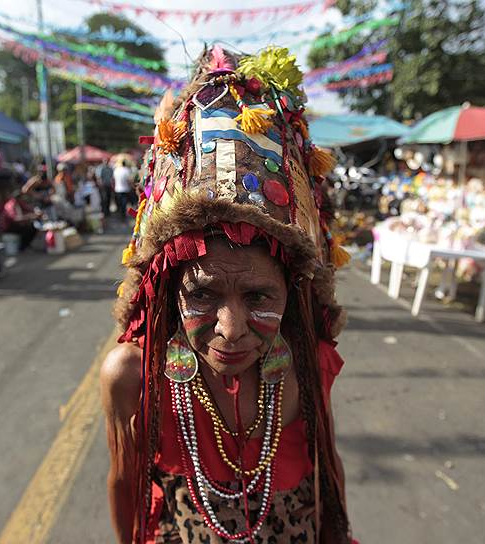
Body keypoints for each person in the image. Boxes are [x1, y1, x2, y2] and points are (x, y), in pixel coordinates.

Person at [100, 46, 353, 543]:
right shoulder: (132, 374)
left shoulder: (307, 360)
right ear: (170, 289)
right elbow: (126, 483)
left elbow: (327, 465)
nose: (230, 329)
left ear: (291, 289)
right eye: (203, 295)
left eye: (259, 297)